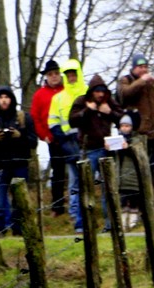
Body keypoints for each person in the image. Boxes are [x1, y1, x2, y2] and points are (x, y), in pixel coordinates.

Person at [0, 86, 38, 235]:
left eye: (7, 97)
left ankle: (19, 232)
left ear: (12, 99)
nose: (4, 100)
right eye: (1, 97)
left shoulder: (24, 118)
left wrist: (19, 136)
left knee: (19, 202)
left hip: (19, 164)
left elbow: (33, 142)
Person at [70, 75, 123, 232]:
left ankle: (110, 224)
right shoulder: (81, 101)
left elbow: (124, 119)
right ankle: (82, 224)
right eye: (97, 91)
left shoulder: (109, 102)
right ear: (92, 92)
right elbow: (72, 120)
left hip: (107, 150)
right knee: (84, 188)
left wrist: (110, 112)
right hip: (88, 150)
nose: (100, 94)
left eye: (102, 91)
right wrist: (88, 110)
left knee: (109, 188)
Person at [117, 53, 154, 179]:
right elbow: (125, 95)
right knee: (137, 171)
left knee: (150, 170)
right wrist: (141, 81)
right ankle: (137, 198)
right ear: (133, 68)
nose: (143, 69)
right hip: (138, 134)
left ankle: (150, 197)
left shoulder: (153, 83)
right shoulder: (126, 80)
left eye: (145, 66)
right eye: (140, 67)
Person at [48, 58, 88, 231]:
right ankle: (74, 212)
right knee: (73, 180)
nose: (71, 77)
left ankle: (88, 210)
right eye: (68, 75)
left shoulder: (88, 92)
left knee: (90, 178)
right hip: (69, 143)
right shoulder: (58, 98)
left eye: (73, 74)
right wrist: (62, 140)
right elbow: (52, 122)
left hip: (88, 142)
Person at [30, 59, 67, 216]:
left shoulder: (67, 91)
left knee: (76, 170)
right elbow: (35, 117)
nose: (54, 77)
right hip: (53, 139)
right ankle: (57, 206)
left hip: (70, 137)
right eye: (51, 74)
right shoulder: (40, 95)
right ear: (46, 76)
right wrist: (44, 136)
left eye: (56, 73)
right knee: (57, 172)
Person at [110, 115, 141, 230]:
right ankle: (123, 224)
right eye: (122, 126)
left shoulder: (137, 139)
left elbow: (139, 155)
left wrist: (128, 148)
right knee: (122, 202)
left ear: (131, 127)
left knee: (133, 202)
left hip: (133, 178)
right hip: (120, 178)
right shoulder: (116, 139)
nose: (124, 128)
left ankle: (132, 223)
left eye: (127, 126)